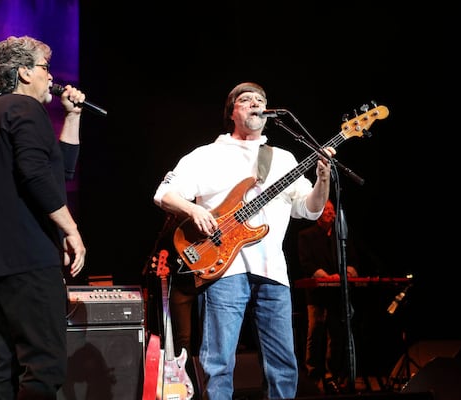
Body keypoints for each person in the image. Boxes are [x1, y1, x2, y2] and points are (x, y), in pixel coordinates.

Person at [153, 82, 335, 399]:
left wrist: (323, 179)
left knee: (283, 363)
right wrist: (193, 209)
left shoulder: (282, 158)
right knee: (219, 361)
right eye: (246, 99)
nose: (255, 103)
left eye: (261, 100)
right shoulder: (205, 155)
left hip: (273, 271)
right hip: (224, 268)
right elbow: (163, 194)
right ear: (232, 111)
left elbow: (309, 209)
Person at [0, 35, 87, 400]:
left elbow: (60, 173)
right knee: (43, 366)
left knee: (0, 367)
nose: (51, 77)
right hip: (29, 258)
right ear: (23, 72)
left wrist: (73, 116)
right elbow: (36, 178)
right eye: (44, 68)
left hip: (1, 260)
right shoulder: (24, 110)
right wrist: (72, 231)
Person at [297, 198, 359, 395]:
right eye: (327, 210)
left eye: (333, 211)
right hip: (317, 294)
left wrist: (346, 274)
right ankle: (313, 375)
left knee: (337, 334)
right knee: (315, 333)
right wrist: (327, 276)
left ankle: (333, 376)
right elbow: (306, 263)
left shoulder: (342, 236)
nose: (331, 214)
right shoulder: (306, 235)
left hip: (337, 294)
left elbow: (353, 260)